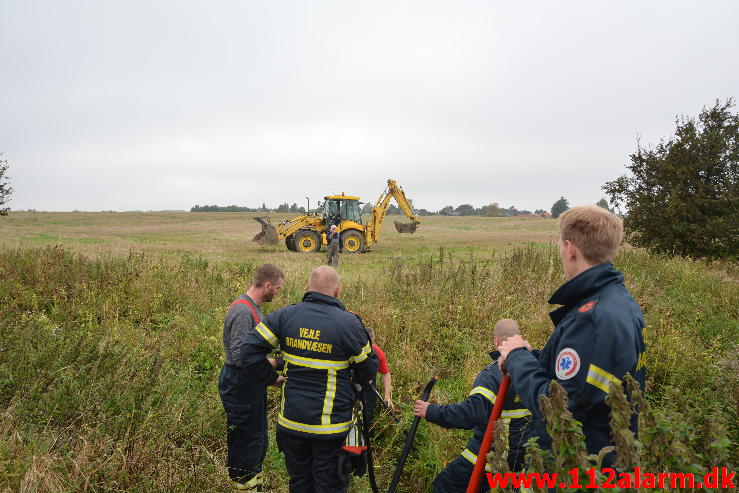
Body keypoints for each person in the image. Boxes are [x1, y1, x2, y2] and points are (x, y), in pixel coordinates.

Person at [498, 205, 646, 468]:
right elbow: (583, 380)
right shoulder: (620, 303)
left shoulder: (590, 318)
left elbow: (558, 409)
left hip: (577, 467)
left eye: (560, 248)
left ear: (570, 248)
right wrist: (529, 358)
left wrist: (518, 358)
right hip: (609, 457)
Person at [242, 266, 377, 493]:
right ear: (338, 292)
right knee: (329, 486)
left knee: (300, 484)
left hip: (291, 425)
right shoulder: (348, 323)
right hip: (330, 429)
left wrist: (271, 378)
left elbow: (248, 351)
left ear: (307, 288)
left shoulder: (285, 316)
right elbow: (367, 371)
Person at [414, 319, 533, 493]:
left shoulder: (493, 374)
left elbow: (471, 413)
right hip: (520, 464)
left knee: (444, 485)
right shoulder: (533, 367)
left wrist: (430, 411)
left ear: (497, 341)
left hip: (487, 461)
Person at [218, 263, 286, 491]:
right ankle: (243, 485)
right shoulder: (243, 311)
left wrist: (270, 373)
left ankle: (254, 484)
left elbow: (253, 354)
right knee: (245, 440)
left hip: (250, 382)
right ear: (267, 285)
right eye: (277, 288)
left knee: (256, 437)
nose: (277, 292)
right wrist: (276, 366)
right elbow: (240, 356)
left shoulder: (254, 308)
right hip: (239, 383)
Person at [363, 326, 394, 425]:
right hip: (351, 381)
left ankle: (366, 435)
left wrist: (387, 396)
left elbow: (386, 374)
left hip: (370, 384)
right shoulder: (352, 347)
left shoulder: (377, 351)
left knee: (368, 411)